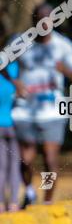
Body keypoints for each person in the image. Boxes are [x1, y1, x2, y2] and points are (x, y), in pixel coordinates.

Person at [12, 3, 72, 207]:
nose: (44, 23)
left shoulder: (62, 45)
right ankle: (28, 191)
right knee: (24, 160)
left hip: (52, 111)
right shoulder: (21, 42)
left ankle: (46, 200)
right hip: (24, 110)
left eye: (48, 19)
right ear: (33, 20)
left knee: (49, 160)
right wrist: (14, 82)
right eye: (39, 19)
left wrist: (65, 70)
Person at [0, 59, 22, 212]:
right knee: (15, 165)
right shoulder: (17, 68)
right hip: (15, 124)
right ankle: (13, 203)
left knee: (0, 167)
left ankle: (0, 203)